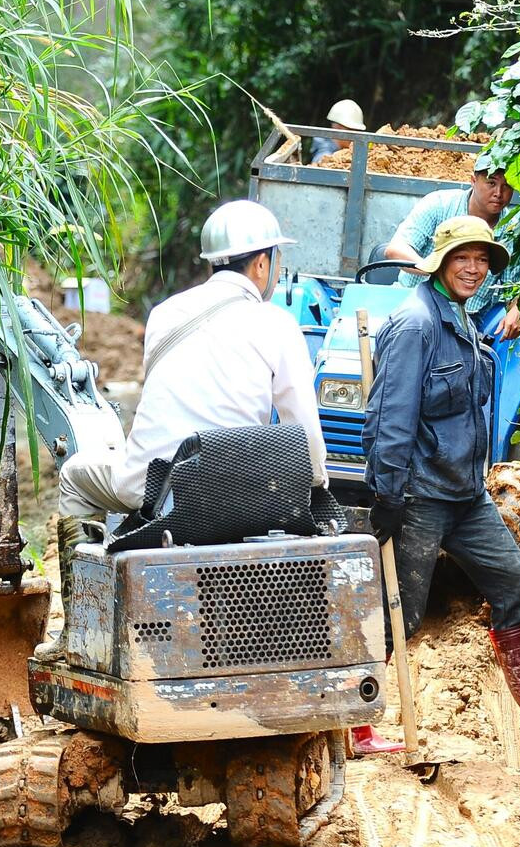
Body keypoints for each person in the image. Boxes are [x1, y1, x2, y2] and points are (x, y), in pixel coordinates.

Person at [39, 200, 328, 659]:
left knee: (76, 474)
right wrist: (313, 485)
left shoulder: (166, 314)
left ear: (213, 261)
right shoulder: (277, 323)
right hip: (237, 495)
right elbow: (304, 433)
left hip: (158, 491)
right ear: (261, 263)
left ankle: (80, 631)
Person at [364, 215, 520, 743]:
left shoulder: (461, 318)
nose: (473, 269)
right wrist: (386, 495)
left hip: (465, 495)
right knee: (397, 615)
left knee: (517, 585)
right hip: (420, 496)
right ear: (440, 263)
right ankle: (354, 725)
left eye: (482, 260)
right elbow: (389, 418)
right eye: (463, 259)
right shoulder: (416, 324)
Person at [382, 156, 520, 338]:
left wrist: (517, 308)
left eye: (507, 185)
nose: (499, 193)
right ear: (473, 180)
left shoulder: (516, 230)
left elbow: (515, 286)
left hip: (467, 317)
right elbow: (395, 249)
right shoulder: (439, 204)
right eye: (491, 183)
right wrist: (435, 269)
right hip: (409, 298)